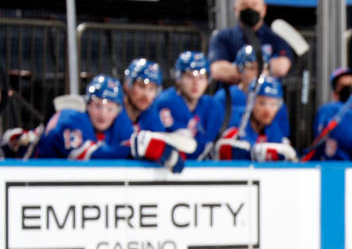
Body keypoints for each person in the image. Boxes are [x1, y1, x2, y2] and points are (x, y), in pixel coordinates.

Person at [35, 75, 184, 172]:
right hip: (29, 178)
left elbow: (131, 147)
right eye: (97, 105)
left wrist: (155, 151)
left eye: (110, 108)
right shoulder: (70, 117)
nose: (103, 114)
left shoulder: (119, 121)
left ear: (118, 109)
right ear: (87, 104)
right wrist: (137, 148)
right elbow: (85, 157)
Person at [155, 51, 225, 160]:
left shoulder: (213, 106)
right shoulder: (166, 102)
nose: (196, 83)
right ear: (178, 78)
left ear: (207, 81)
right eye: (190, 77)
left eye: (201, 78)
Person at [208, 0, 292, 84]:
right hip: (230, 95)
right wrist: (262, 70)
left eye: (254, 4)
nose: (250, 9)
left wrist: (240, 70)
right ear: (236, 9)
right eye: (244, 5)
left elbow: (282, 66)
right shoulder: (222, 37)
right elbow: (217, 70)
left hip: (266, 96)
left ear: (264, 8)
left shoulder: (276, 39)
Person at [214, 76, 296, 161]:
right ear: (250, 101)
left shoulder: (274, 128)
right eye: (262, 103)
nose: (267, 110)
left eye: (273, 104)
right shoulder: (233, 121)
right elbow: (226, 151)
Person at [213, 45, 289, 135]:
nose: (258, 72)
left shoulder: (274, 99)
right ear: (240, 70)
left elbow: (282, 135)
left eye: (263, 68)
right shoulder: (223, 97)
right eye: (252, 67)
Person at [122, 58, 164, 132]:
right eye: (141, 86)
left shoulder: (151, 113)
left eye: (151, 89)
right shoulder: (112, 112)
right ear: (127, 85)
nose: (146, 95)